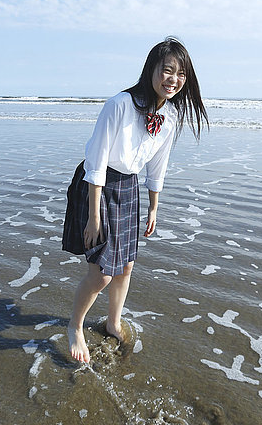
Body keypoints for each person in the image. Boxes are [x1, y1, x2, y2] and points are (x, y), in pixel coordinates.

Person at [62, 36, 209, 363]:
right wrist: (93, 215)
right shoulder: (119, 105)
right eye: (167, 70)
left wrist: (154, 205)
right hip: (96, 185)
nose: (173, 79)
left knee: (125, 266)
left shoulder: (169, 117)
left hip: (128, 187)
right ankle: (75, 326)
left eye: (181, 74)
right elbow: (97, 161)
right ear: (151, 70)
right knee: (101, 272)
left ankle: (113, 321)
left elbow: (158, 165)